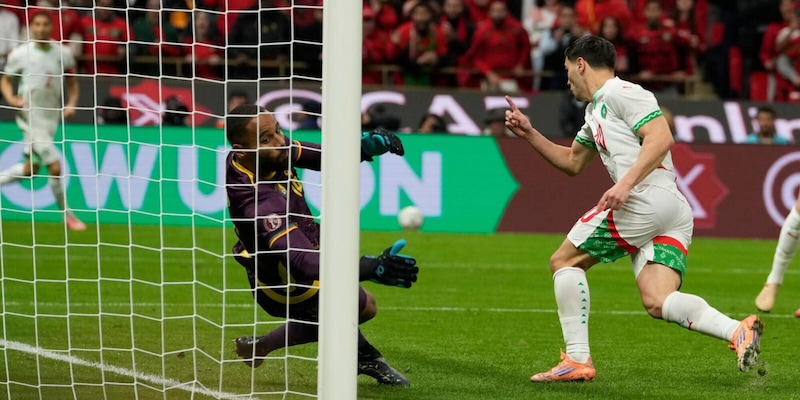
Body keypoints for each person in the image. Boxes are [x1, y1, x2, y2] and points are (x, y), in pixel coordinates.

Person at [502, 35, 763, 382]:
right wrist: (530, 133)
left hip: (644, 200)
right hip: (670, 208)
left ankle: (577, 359)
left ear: (581, 64)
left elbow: (661, 137)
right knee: (658, 300)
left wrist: (624, 184)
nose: (566, 79)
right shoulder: (595, 110)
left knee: (563, 261)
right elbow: (572, 162)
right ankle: (737, 330)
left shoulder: (621, 92)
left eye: (567, 70)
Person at [225, 104, 418, 385]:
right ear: (241, 149)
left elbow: (322, 157)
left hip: (295, 251)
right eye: (268, 139)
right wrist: (368, 267)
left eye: (278, 130)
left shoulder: (264, 154)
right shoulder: (258, 202)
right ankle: (366, 359)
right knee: (362, 307)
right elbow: (303, 264)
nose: (281, 141)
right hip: (284, 282)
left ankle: (261, 346)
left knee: (354, 305)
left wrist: (363, 149)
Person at [0, 11, 85, 231]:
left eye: (45, 24)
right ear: (31, 27)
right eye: (36, 24)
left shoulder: (63, 53)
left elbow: (72, 83)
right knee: (55, 167)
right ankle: (68, 216)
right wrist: (11, 98)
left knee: (31, 169)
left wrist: (72, 103)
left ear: (51, 26)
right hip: (30, 116)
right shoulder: (20, 53)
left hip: (50, 117)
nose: (41, 28)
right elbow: (6, 81)